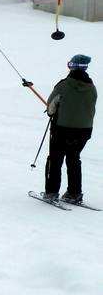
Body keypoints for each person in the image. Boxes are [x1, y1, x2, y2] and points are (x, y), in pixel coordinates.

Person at [43, 54, 96, 203]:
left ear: (72, 66)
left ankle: (51, 192)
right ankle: (74, 193)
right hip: (84, 131)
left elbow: (51, 107)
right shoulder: (92, 87)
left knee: (56, 159)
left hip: (62, 129)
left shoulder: (63, 85)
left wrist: (52, 112)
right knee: (73, 159)